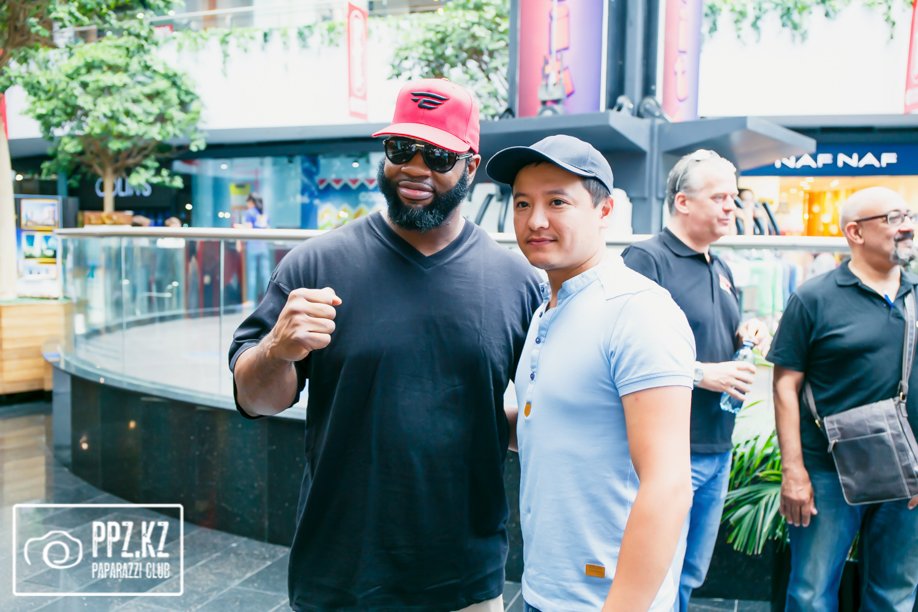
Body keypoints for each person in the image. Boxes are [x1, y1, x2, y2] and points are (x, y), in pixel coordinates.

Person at [228, 78, 542, 611]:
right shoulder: (314, 265)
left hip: (464, 577)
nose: (415, 168)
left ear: (471, 167)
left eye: (438, 155)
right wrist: (276, 349)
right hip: (339, 572)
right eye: (401, 148)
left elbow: (537, 417)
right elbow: (256, 401)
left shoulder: (517, 282)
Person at [487, 134, 695, 611]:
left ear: (605, 211)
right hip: (543, 588)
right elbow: (556, 423)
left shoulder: (638, 310)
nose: (535, 220)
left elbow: (668, 484)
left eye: (557, 202)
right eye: (522, 203)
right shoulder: (547, 309)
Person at [621, 149, 768, 611]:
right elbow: (623, 354)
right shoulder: (646, 259)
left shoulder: (719, 267)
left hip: (716, 447)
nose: (732, 207)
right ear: (682, 202)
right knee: (657, 576)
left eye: (733, 197)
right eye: (720, 197)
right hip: (668, 452)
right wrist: (704, 374)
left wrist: (745, 332)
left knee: (688, 576)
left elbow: (707, 334)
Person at [768, 186, 918, 611]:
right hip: (827, 471)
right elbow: (785, 386)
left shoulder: (915, 293)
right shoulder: (814, 297)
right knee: (811, 594)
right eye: (893, 218)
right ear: (855, 232)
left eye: (909, 216)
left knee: (895, 594)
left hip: (908, 469)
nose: (907, 227)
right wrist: (793, 471)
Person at [237, 193, 272, 303]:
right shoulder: (264, 213)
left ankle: (251, 300)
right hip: (264, 246)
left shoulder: (250, 212)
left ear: (251, 202)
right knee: (266, 274)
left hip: (253, 246)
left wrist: (238, 227)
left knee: (251, 275)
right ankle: (269, 299)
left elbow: (248, 228)